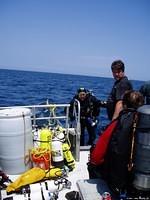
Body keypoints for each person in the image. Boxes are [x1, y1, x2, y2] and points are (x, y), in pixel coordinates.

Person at [88, 90, 144, 196]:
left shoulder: (117, 124)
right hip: (141, 181)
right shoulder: (145, 125)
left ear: (123, 104)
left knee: (92, 164)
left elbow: (96, 158)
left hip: (118, 182)